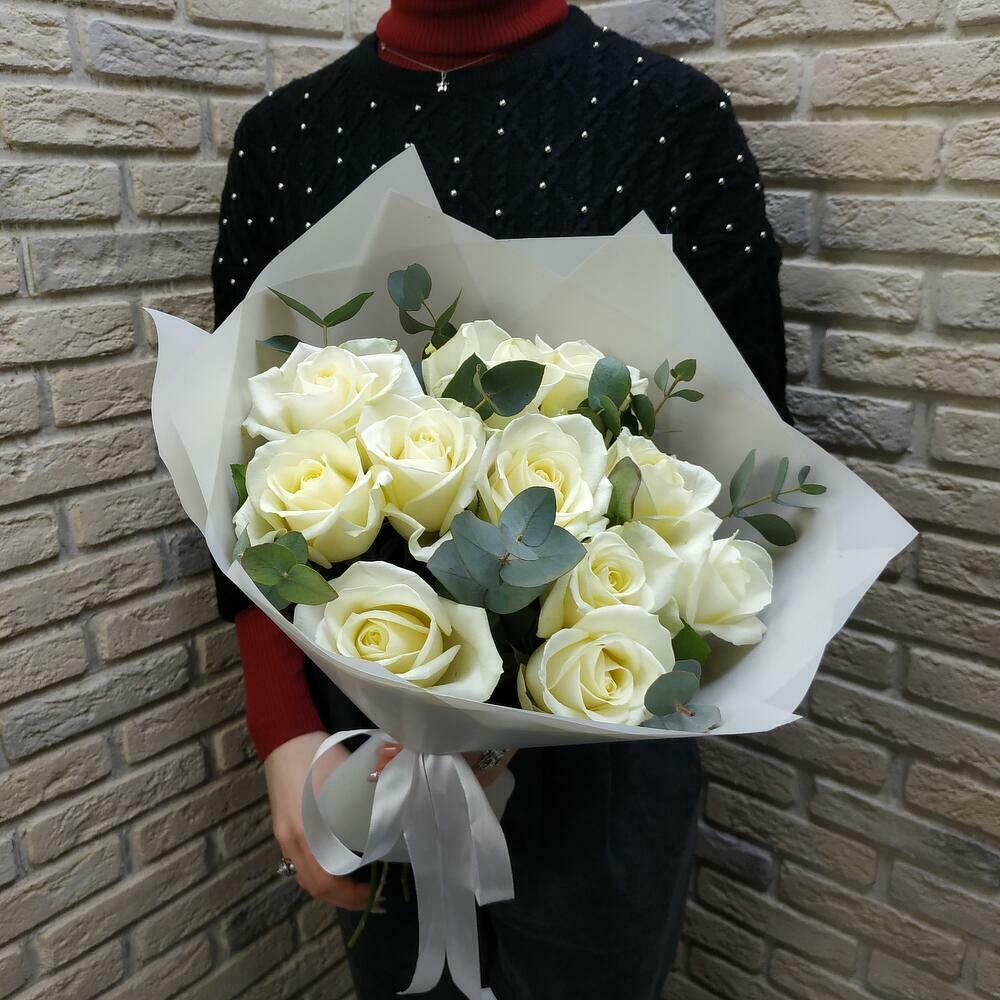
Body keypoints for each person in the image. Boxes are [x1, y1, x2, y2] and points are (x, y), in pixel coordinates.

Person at [211, 1, 791, 997]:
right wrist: (284, 726)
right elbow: (241, 457)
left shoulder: (668, 120)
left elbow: (738, 467)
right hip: (366, 715)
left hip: (610, 723)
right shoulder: (288, 138)